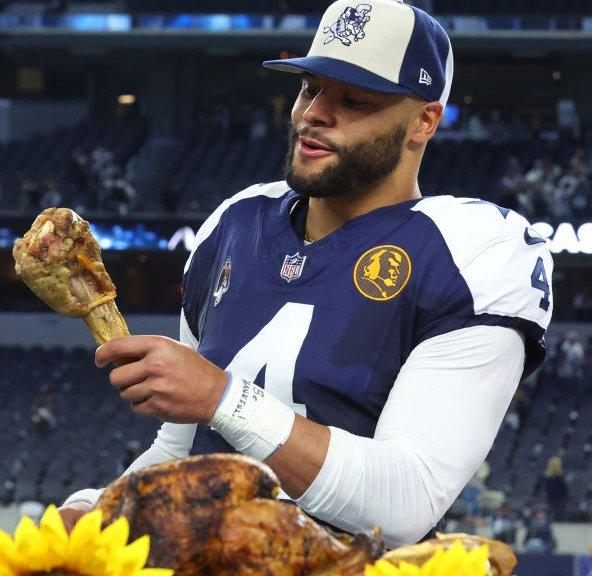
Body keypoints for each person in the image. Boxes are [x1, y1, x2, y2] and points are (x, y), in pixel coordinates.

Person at [59, 0, 553, 547]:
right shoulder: (235, 222)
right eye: (309, 89)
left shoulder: (471, 252)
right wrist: (100, 514)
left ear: (424, 121)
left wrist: (225, 397)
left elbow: (408, 502)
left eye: (353, 99)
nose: (314, 113)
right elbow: (180, 451)